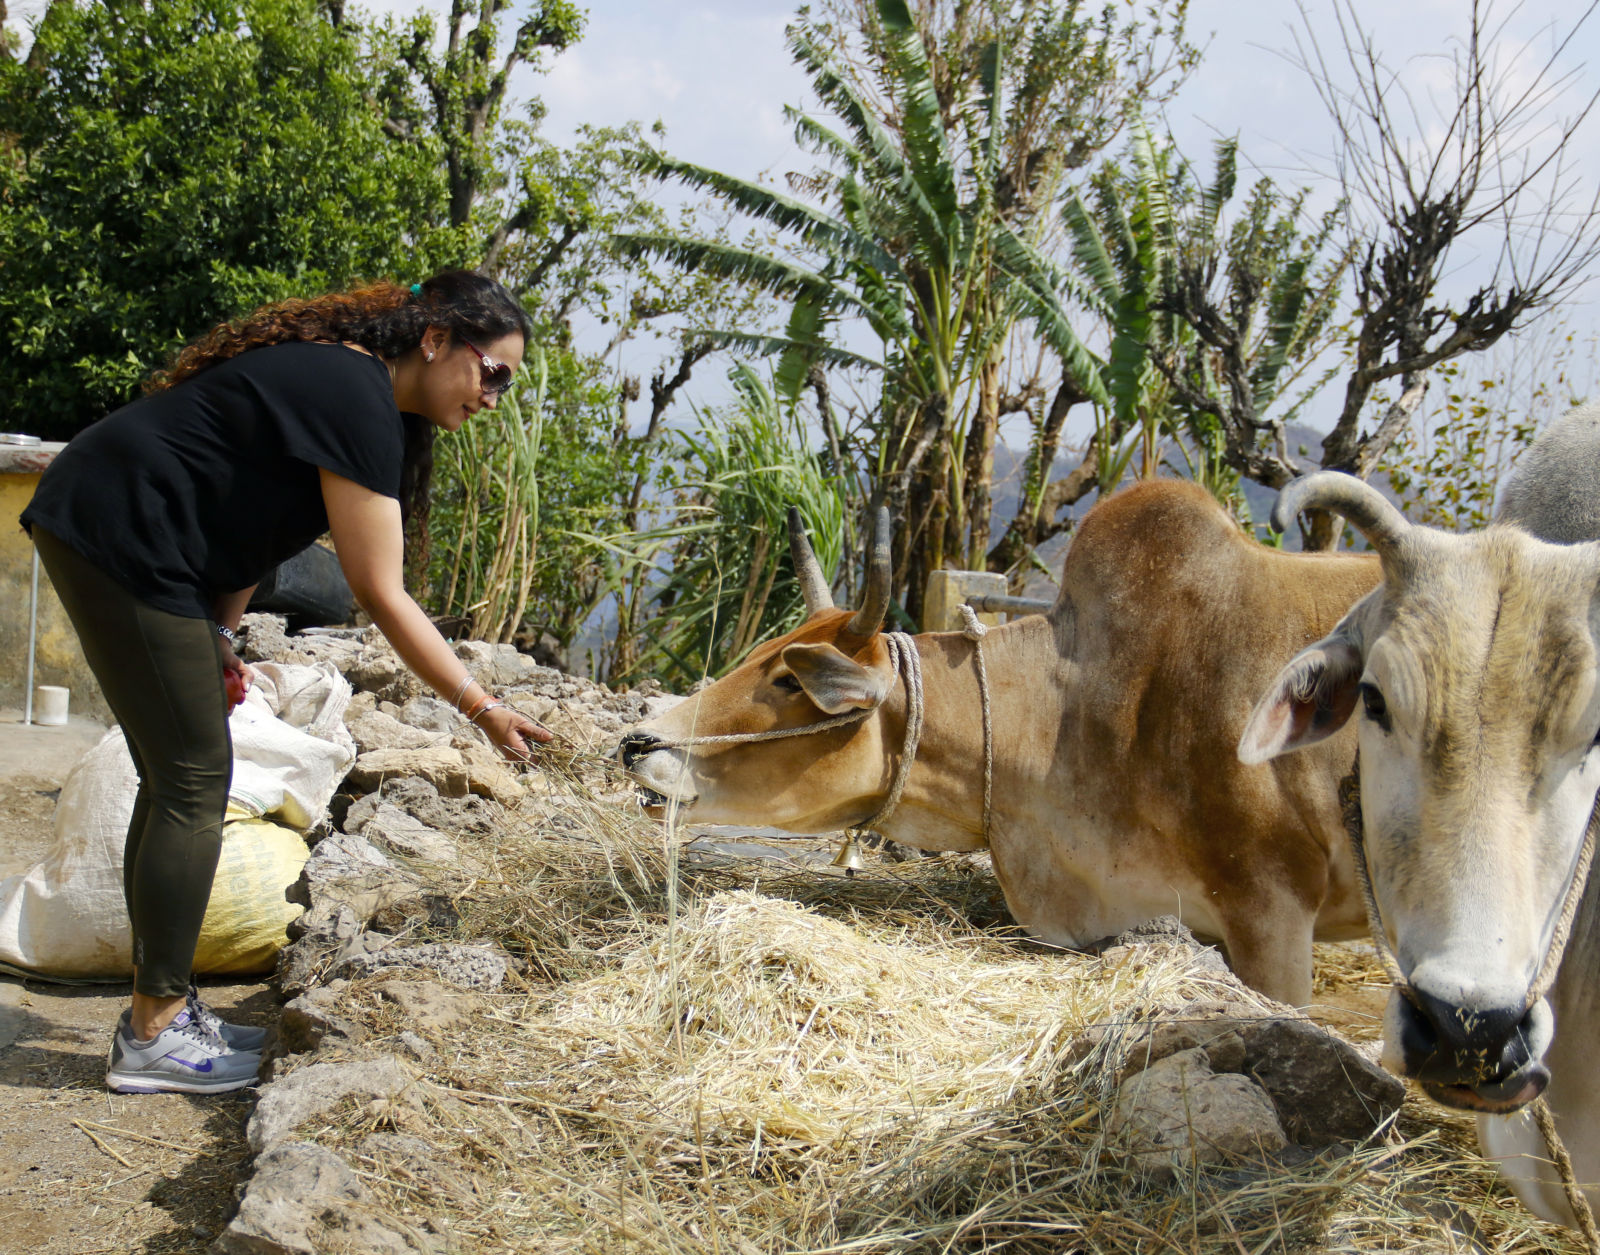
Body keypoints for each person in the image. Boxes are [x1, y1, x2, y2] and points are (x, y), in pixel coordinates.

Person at [19, 269, 551, 1094]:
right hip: (119, 523)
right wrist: (481, 706)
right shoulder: (355, 393)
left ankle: (159, 1012)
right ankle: (154, 1031)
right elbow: (381, 590)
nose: (496, 396)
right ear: (438, 338)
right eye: (496, 372)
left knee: (178, 776)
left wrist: (223, 635)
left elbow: (251, 527)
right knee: (195, 777)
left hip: (134, 530)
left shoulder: (363, 401)